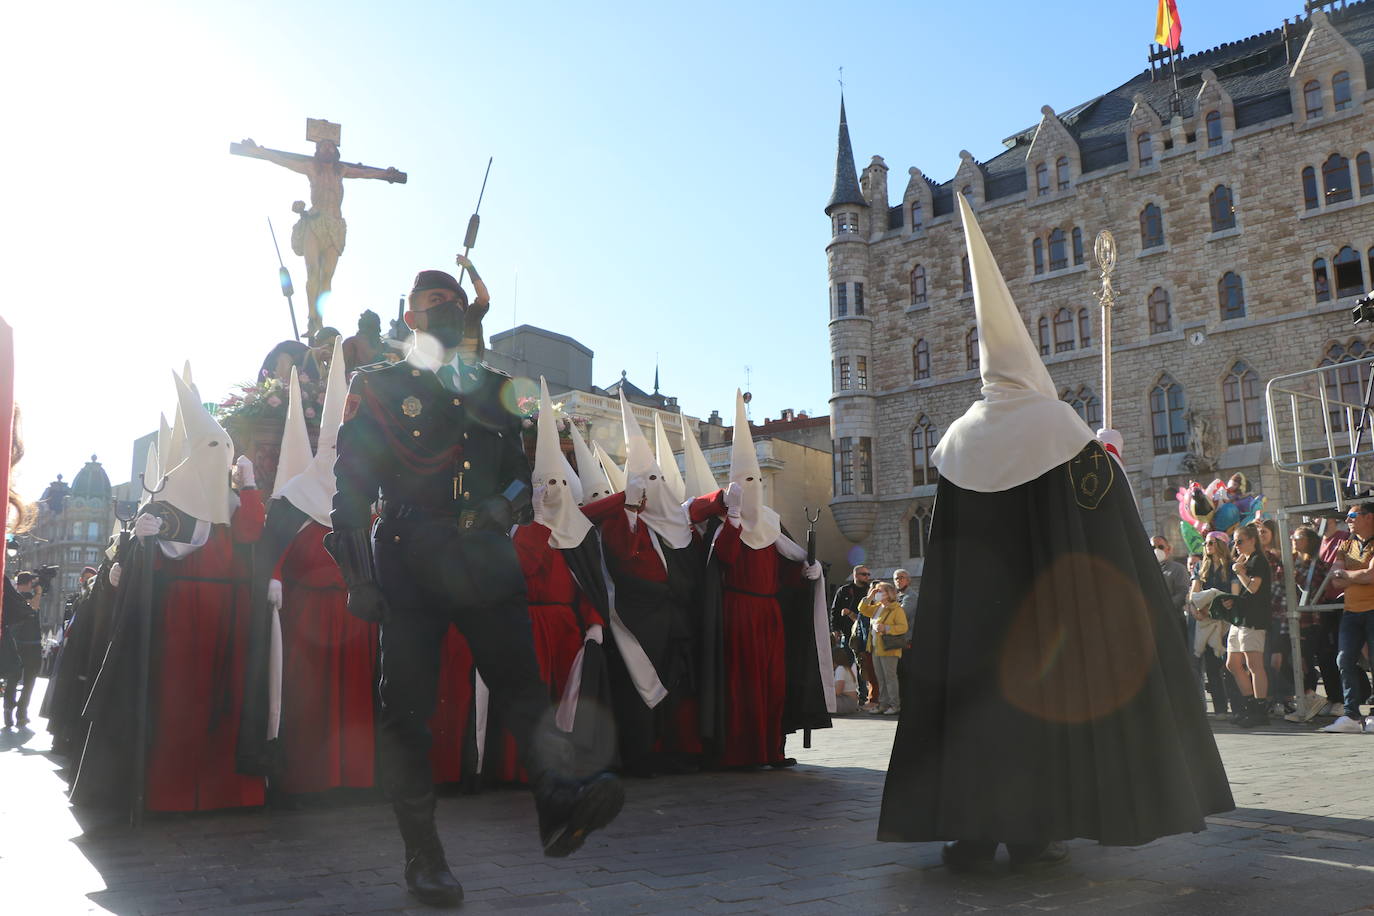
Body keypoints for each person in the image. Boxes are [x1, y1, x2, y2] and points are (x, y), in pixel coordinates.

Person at [879, 195, 1231, 873]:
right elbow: (1103, 527)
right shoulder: (1058, 425)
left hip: (969, 625)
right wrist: (1102, 457)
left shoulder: (954, 440)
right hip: (1043, 617)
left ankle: (971, 835)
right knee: (1037, 720)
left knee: (975, 722)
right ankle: (1036, 832)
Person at [328, 259, 623, 907]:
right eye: (432, 302)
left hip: (484, 555)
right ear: (410, 316)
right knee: (406, 710)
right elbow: (350, 486)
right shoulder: (381, 386)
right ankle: (422, 854)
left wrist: (507, 504)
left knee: (522, 688)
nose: (445, 309)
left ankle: (557, 802)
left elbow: (522, 474)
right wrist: (356, 575)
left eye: (453, 301)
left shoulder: (492, 386)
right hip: (409, 551)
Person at [693, 391, 831, 769]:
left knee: (772, 682)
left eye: (756, 478)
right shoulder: (722, 526)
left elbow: (787, 565)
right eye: (743, 480)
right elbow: (724, 559)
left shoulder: (772, 523)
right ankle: (740, 753)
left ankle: (773, 749)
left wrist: (811, 573)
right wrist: (733, 519)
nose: (752, 485)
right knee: (741, 685)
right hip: (737, 614)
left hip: (770, 614)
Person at [580, 391, 707, 777]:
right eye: (643, 481)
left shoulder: (671, 520)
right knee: (637, 692)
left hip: (670, 621)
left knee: (673, 689)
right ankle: (640, 754)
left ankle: (670, 748)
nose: (651, 487)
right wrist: (629, 510)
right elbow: (623, 557)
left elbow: (695, 518)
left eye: (656, 480)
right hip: (636, 622)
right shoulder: (620, 521)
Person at [1323, 502, 1374, 734]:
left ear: (1369, 517)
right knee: (1343, 660)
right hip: (1351, 611)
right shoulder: (1346, 543)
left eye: (1353, 515)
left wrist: (1349, 575)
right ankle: (1351, 715)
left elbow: (1371, 574)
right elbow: (1335, 579)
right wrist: (1358, 576)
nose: (1348, 519)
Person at [1220, 523, 1273, 727]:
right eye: (1235, 541)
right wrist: (1232, 601)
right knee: (1233, 663)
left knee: (1254, 665)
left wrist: (1240, 572)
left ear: (1252, 540)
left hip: (1254, 618)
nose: (1237, 545)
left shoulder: (1258, 560)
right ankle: (1250, 705)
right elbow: (1245, 592)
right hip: (1241, 618)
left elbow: (1254, 588)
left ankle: (1260, 710)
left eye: (1240, 541)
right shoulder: (1246, 561)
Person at [1288, 525, 1341, 721]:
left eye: (1298, 537)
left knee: (1325, 659)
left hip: (1317, 618)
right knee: (1303, 660)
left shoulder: (1316, 564)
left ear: (1309, 541)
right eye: (1293, 537)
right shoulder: (1294, 561)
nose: (1294, 540)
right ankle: (1312, 698)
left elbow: (1315, 588)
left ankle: (1337, 700)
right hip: (1300, 619)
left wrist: (1295, 575)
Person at [1191, 531, 1236, 716]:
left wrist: (1229, 601)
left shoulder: (1231, 566)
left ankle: (1237, 706)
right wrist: (1195, 611)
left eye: (1211, 542)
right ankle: (1220, 709)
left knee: (1229, 665)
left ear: (1221, 544)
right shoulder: (1201, 567)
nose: (1207, 545)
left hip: (1226, 622)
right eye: (1206, 543)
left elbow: (1234, 595)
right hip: (1207, 621)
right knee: (1212, 667)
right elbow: (1194, 594)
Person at [830, 565, 877, 710]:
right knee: (844, 664)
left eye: (868, 574)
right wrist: (835, 629)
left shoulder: (870, 591)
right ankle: (844, 693)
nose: (867, 577)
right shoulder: (844, 590)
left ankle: (863, 697)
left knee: (863, 666)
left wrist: (851, 614)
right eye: (864, 574)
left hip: (863, 636)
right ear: (855, 575)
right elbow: (835, 610)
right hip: (847, 635)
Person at [858, 581, 907, 716]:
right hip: (875, 648)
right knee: (881, 678)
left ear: (889, 593)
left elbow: (903, 627)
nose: (877, 593)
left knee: (890, 678)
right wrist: (870, 596)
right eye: (877, 591)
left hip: (889, 648)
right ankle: (883, 704)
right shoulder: (878, 607)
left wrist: (886, 628)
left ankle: (895, 705)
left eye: (880, 591)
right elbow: (862, 609)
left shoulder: (896, 609)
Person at [2, 570, 43, 728]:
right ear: (28, 584)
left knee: (14, 678)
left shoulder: (12, 597)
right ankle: (20, 712)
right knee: (29, 680)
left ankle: (10, 709)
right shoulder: (24, 598)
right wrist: (38, 594)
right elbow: (32, 609)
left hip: (18, 643)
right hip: (29, 644)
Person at [833, 647, 860, 715]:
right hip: (851, 703)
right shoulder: (846, 668)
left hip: (846, 702)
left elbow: (838, 691)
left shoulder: (840, 669)